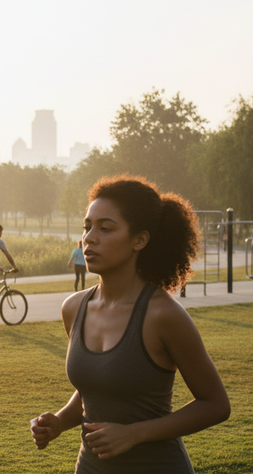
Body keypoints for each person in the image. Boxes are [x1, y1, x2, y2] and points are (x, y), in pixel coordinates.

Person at [30, 175, 230, 473]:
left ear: (140, 240)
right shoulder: (74, 308)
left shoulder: (162, 315)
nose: (89, 238)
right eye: (87, 227)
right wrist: (59, 421)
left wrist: (134, 433)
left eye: (106, 228)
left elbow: (215, 405)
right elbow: (94, 389)